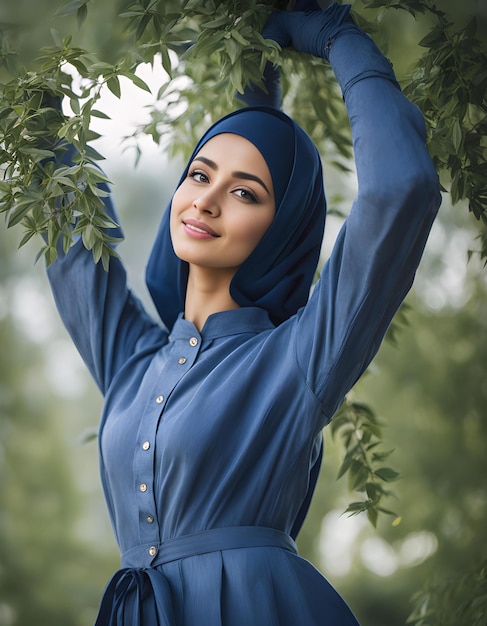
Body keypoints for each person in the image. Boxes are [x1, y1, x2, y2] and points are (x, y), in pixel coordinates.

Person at [45, 2, 441, 624]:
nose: (205, 201)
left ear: (281, 229)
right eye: (199, 175)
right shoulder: (135, 364)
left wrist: (338, 36)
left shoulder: (299, 358)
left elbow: (402, 190)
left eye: (244, 193)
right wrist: (40, 111)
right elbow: (71, 252)